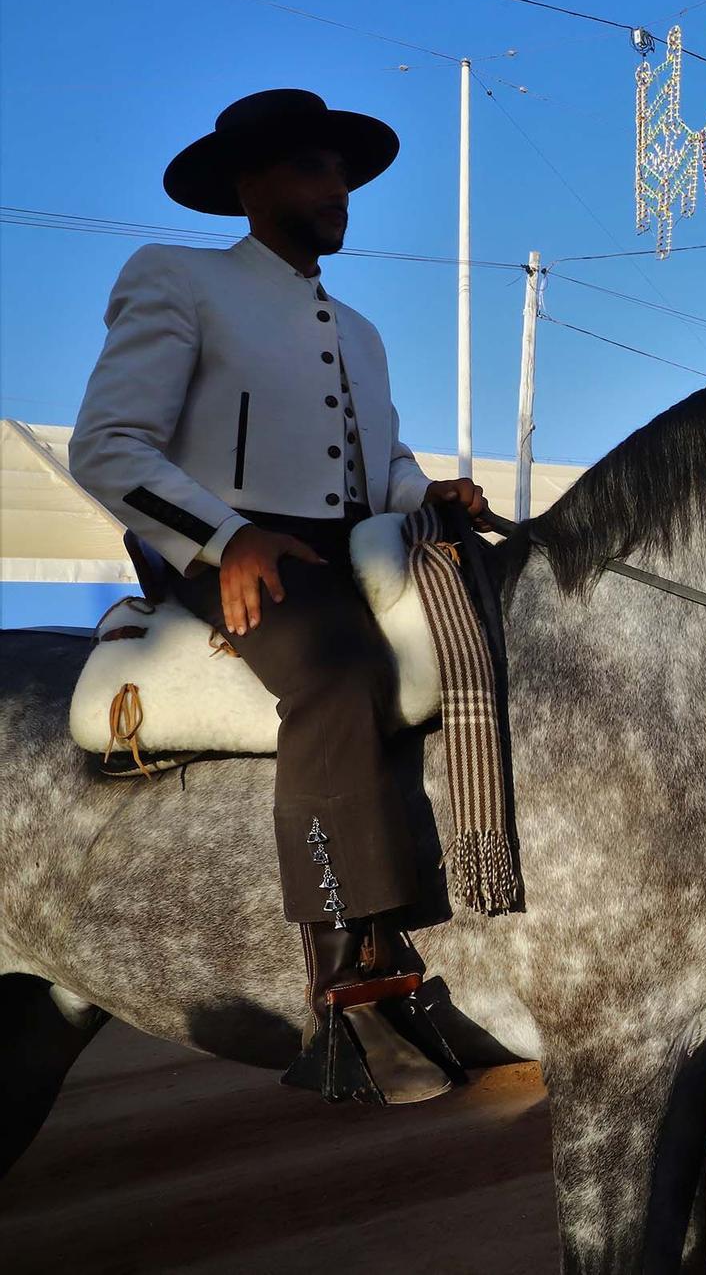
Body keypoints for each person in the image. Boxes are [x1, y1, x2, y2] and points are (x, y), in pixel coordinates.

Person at [70, 88, 485, 1103]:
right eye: (311, 167)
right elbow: (108, 445)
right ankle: (350, 975)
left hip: (355, 546)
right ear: (248, 184)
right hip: (233, 549)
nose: (335, 187)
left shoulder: (362, 328)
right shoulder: (177, 276)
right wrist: (225, 536)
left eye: (342, 171)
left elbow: (376, 462)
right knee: (339, 671)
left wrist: (425, 493)